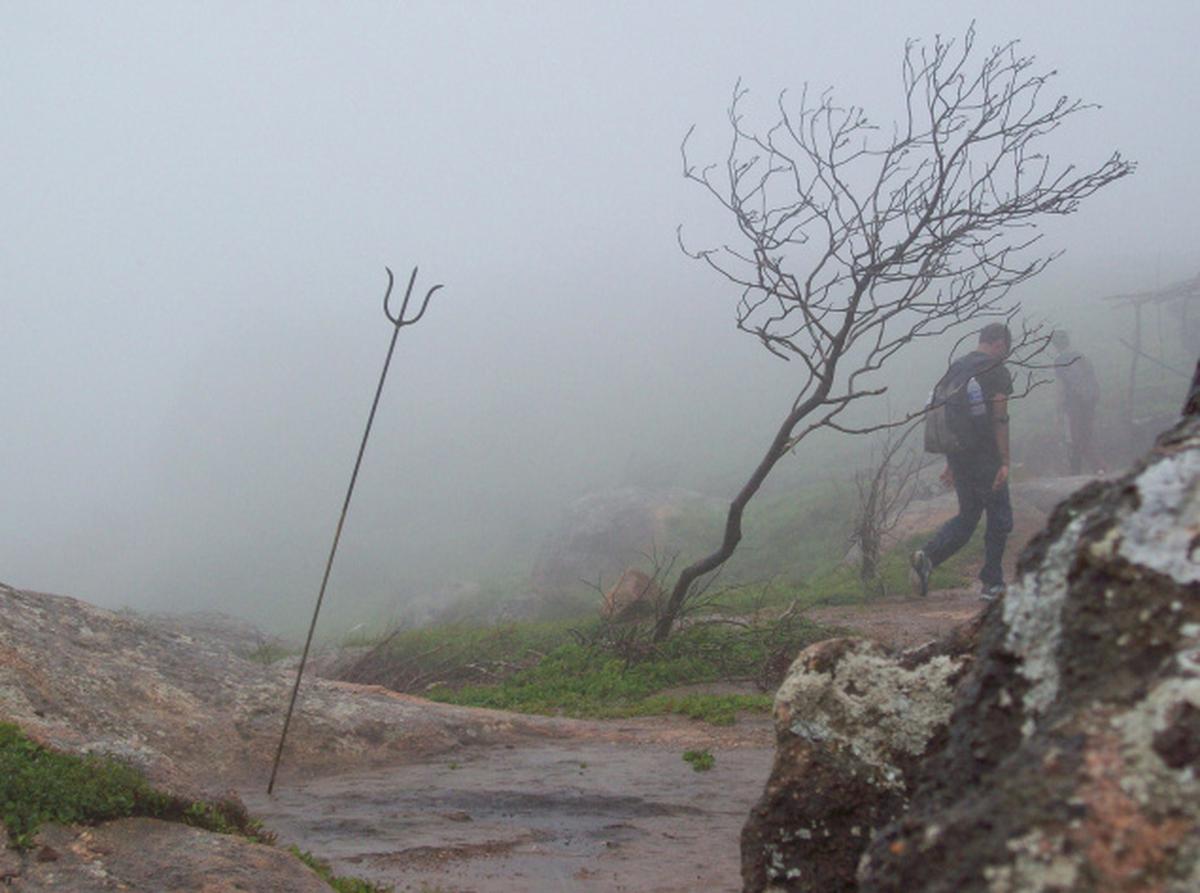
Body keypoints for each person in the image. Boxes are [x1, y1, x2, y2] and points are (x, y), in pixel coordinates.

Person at [912, 323, 1014, 601]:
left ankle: (928, 557)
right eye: (1005, 348)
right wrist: (1004, 460)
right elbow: (999, 416)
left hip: (959, 454)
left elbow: (951, 417)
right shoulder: (995, 369)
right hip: (986, 456)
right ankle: (992, 583)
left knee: (968, 514)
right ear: (999, 344)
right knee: (1000, 517)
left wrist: (951, 460)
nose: (1005, 355)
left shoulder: (957, 368)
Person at [1051, 329, 1104, 475]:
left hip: (1073, 403)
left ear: (1055, 344)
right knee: (1086, 434)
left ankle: (1085, 470)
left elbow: (1061, 387)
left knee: (1075, 437)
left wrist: (1058, 409)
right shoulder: (1082, 356)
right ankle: (1098, 467)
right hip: (1089, 400)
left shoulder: (1060, 360)